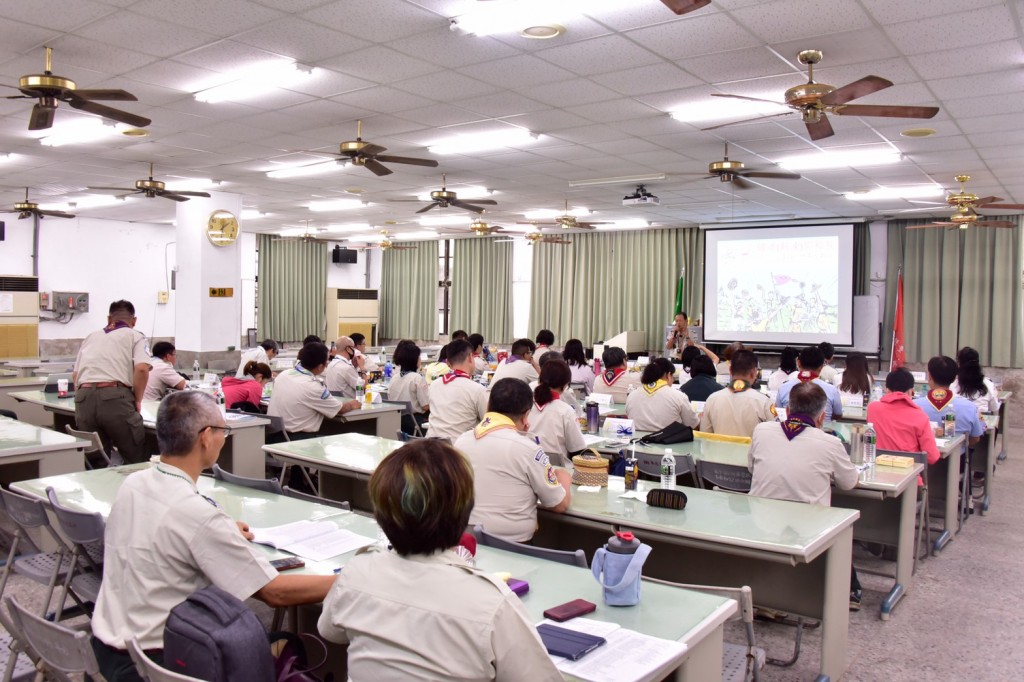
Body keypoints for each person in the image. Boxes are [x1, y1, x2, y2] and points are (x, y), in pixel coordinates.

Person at [91, 391, 335, 682]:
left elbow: (166, 528)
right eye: (223, 430)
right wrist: (352, 579)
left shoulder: (135, 481)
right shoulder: (199, 515)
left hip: (107, 647)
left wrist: (222, 532)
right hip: (159, 662)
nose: (224, 438)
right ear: (205, 437)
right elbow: (275, 592)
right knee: (290, 643)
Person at [318, 439, 561, 681]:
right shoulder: (491, 603)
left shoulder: (357, 572)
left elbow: (330, 631)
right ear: (466, 509)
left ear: (380, 510)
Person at [747, 382, 861, 608]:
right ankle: (848, 590)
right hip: (809, 532)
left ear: (787, 410)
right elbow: (849, 484)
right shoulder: (830, 443)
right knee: (840, 526)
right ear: (821, 417)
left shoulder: (761, 431)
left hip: (760, 523)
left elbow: (751, 468)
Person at [456, 378, 571, 542]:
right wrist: (564, 478)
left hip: (465, 540)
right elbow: (559, 504)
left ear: (488, 407)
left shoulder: (462, 440)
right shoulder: (527, 448)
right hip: (513, 545)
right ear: (526, 416)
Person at [72, 299, 152, 464]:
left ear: (109, 319)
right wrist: (137, 399)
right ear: (134, 320)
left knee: (96, 460)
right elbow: (142, 369)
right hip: (115, 399)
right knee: (134, 458)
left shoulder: (90, 337)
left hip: (83, 398)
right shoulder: (136, 336)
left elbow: (76, 374)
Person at [268, 342, 360, 439]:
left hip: (274, 438)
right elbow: (340, 409)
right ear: (320, 367)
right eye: (326, 362)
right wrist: (353, 404)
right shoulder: (313, 386)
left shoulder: (284, 374)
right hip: (297, 441)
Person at [866, 368, 940, 476]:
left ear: (887, 389)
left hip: (876, 475)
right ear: (911, 391)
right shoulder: (920, 416)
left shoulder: (872, 409)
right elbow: (932, 457)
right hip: (909, 481)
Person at [700, 350, 776, 438]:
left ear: (730, 370)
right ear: (754, 372)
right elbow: (773, 436)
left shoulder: (712, 399)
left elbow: (704, 436)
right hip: (751, 452)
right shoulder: (764, 402)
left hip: (718, 451)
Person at [914, 355, 984, 447]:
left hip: (922, 459)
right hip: (958, 458)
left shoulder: (913, 406)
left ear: (930, 376)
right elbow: (975, 438)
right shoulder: (970, 407)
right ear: (955, 378)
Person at [425, 339, 488, 441]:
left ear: (448, 363)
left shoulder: (434, 385)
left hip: (430, 448)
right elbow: (489, 421)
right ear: (471, 358)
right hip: (458, 451)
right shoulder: (477, 390)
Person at [528, 359, 586, 467]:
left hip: (528, 467)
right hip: (558, 471)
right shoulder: (565, 411)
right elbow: (577, 450)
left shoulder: (524, 406)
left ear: (540, 379)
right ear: (565, 385)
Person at [626, 358, 699, 432]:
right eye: (672, 376)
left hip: (637, 441)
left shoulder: (632, 395)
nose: (673, 380)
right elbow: (693, 425)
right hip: (670, 442)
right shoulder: (678, 396)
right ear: (668, 374)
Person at [776, 346, 843, 422]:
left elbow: (780, 413)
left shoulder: (783, 388)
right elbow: (838, 414)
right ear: (821, 367)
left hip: (792, 432)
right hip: (822, 432)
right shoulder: (832, 390)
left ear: (798, 363)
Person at [388, 341, 429, 433]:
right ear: (414, 359)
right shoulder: (417, 378)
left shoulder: (394, 378)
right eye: (419, 357)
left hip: (397, 423)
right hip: (415, 424)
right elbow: (426, 406)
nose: (420, 360)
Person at [951, 347, 1000, 414]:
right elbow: (995, 407)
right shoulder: (988, 384)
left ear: (959, 364)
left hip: (958, 422)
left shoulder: (952, 384)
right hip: (981, 422)